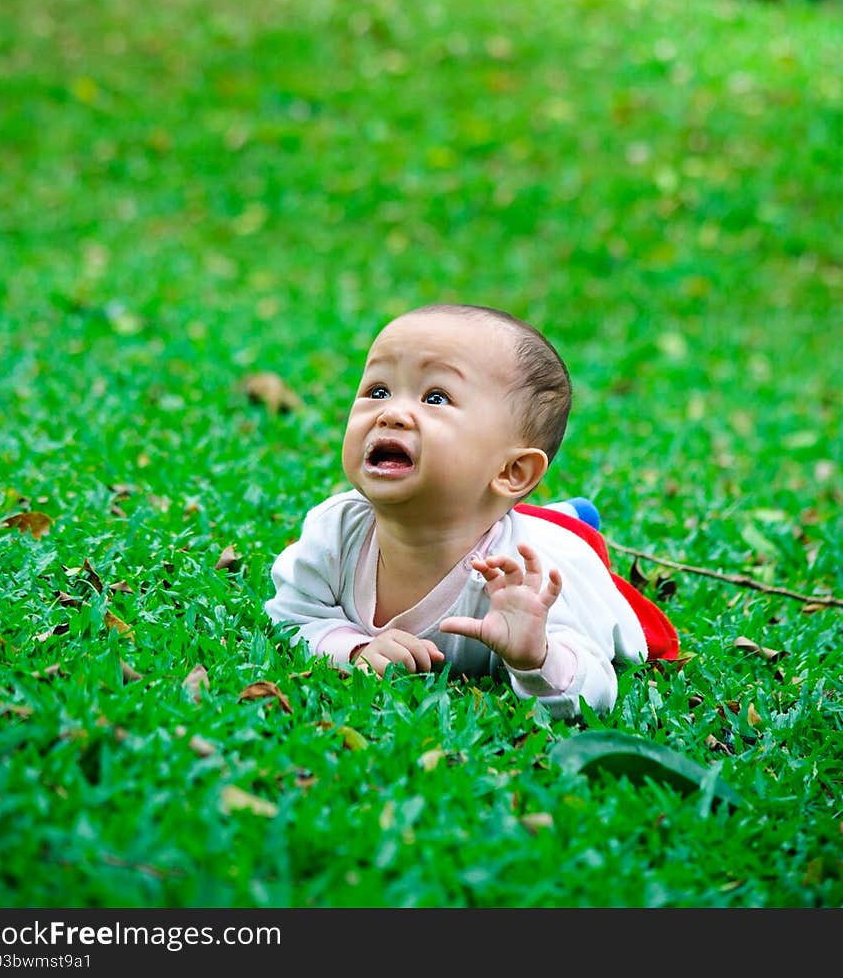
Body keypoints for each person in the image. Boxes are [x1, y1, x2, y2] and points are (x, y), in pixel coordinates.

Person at [265, 303, 677, 721]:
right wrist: (351, 648)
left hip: (560, 552)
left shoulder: (520, 583)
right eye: (378, 391)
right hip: (515, 518)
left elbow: (594, 689)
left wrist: (537, 658)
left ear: (511, 471)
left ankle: (571, 522)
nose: (391, 413)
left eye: (436, 398)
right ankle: (562, 515)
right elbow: (290, 616)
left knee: (571, 543)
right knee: (545, 522)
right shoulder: (336, 528)